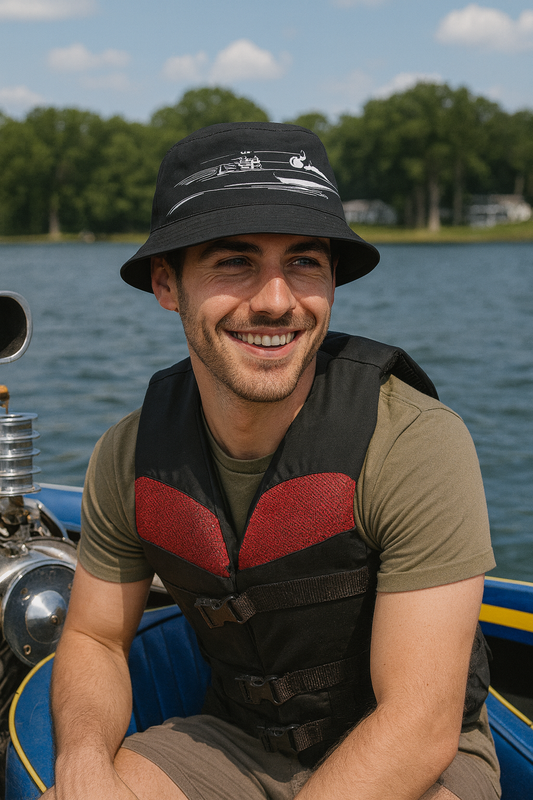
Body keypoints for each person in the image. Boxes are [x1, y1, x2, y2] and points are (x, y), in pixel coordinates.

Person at [44, 122, 500, 800]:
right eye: (234, 262)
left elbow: (419, 722)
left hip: (418, 758)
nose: (277, 301)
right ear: (167, 284)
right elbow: (96, 638)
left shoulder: (413, 442)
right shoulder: (130, 455)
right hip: (233, 742)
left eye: (305, 263)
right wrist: (83, 766)